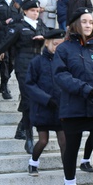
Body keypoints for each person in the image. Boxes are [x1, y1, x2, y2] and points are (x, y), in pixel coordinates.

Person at [0, 0, 47, 154]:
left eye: (37, 11)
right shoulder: (18, 27)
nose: (35, 14)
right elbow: (5, 44)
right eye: (32, 11)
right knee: (29, 98)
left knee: (32, 99)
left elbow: (53, 41)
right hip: (23, 65)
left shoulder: (41, 25)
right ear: (25, 11)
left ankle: (21, 128)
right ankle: (29, 137)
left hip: (40, 65)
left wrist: (44, 38)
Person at [53, 7, 93, 185]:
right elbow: (60, 75)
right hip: (73, 107)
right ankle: (70, 183)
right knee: (72, 148)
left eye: (91, 22)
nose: (88, 25)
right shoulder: (63, 49)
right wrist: (83, 89)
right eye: (84, 21)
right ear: (76, 24)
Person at [25, 28, 66, 177]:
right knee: (43, 140)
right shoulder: (37, 61)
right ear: (47, 43)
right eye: (55, 44)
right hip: (42, 109)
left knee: (64, 141)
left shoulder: (64, 61)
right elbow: (29, 84)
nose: (57, 48)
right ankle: (33, 162)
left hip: (60, 109)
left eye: (60, 45)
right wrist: (46, 99)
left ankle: (68, 170)